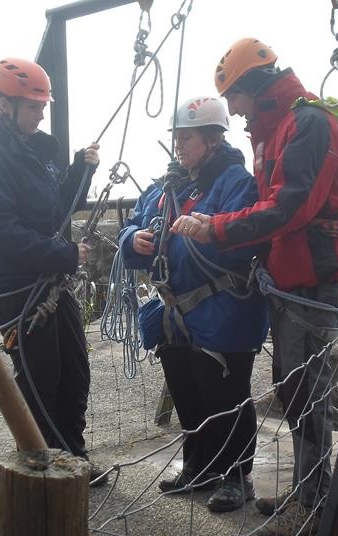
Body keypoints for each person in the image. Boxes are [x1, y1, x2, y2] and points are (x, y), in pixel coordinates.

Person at [173, 39, 338, 536]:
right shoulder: (279, 129)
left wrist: (218, 228)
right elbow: (279, 207)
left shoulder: (308, 124)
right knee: (293, 386)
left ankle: (316, 504)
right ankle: (307, 491)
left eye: (233, 96)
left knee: (306, 390)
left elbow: (290, 207)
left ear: (252, 86)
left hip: (310, 277)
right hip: (292, 275)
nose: (231, 109)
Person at [119, 96, 268, 513]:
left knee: (225, 395)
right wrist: (133, 239)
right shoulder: (167, 187)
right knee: (186, 390)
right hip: (176, 308)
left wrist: (206, 230)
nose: (179, 145)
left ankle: (237, 476)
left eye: (187, 138)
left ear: (212, 140)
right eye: (177, 138)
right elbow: (133, 222)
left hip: (221, 307)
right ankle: (199, 466)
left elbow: (246, 234)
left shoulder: (236, 182)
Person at [0, 57, 106, 484]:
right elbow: (4, 231)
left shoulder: (37, 152)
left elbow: (57, 208)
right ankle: (44, 464)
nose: (41, 114)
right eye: (33, 107)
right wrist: (62, 254)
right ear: (4, 105)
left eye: (43, 106)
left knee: (75, 373)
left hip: (50, 278)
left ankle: (72, 457)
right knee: (40, 378)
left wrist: (81, 170)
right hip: (19, 284)